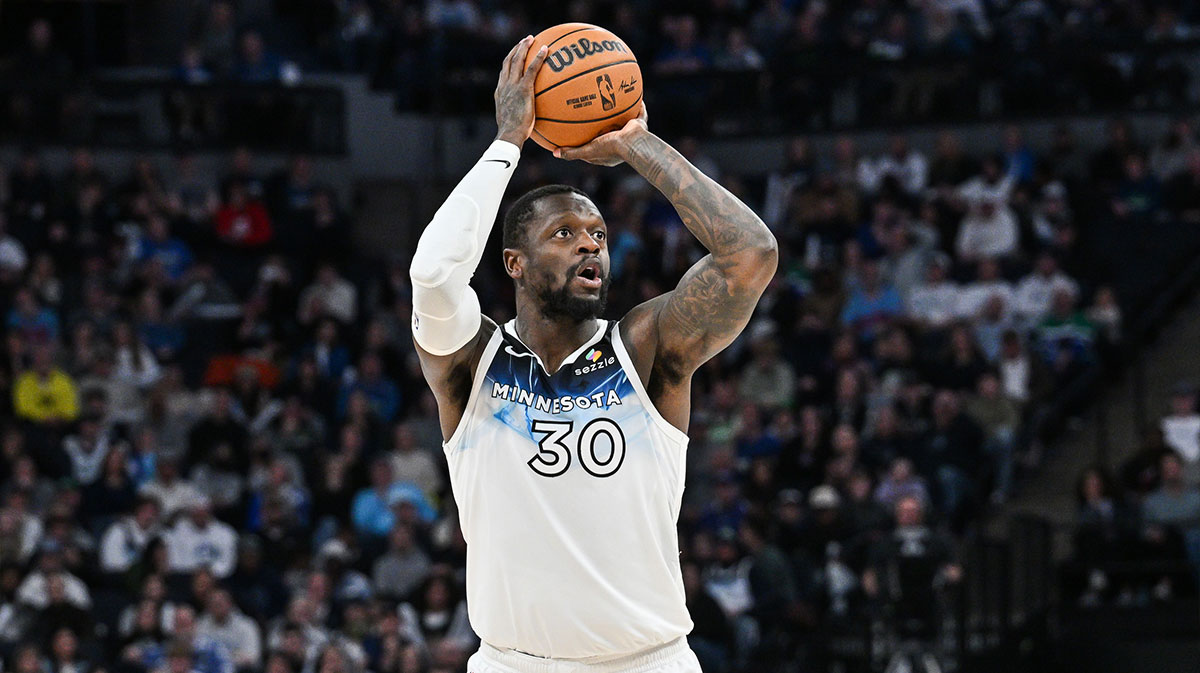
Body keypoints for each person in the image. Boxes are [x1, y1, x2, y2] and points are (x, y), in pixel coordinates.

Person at [408, 37, 777, 672]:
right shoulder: (473, 365)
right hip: (513, 663)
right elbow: (435, 275)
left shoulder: (645, 347)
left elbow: (751, 256)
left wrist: (637, 143)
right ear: (514, 265)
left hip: (648, 662)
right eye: (565, 234)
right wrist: (507, 143)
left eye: (599, 235)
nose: (590, 246)